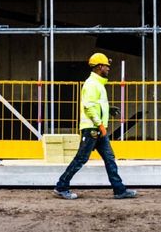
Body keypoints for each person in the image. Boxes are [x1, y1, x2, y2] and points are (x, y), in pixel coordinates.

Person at [53, 52, 137, 200]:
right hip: (92, 129)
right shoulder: (91, 84)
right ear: (99, 67)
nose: (108, 68)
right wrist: (100, 125)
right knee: (81, 159)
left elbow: (96, 105)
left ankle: (119, 189)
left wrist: (108, 110)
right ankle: (61, 186)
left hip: (98, 129)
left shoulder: (97, 84)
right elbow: (88, 106)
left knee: (109, 158)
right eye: (106, 66)